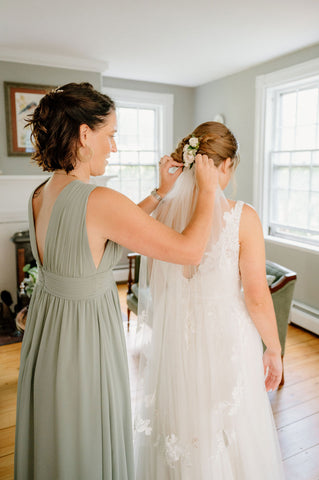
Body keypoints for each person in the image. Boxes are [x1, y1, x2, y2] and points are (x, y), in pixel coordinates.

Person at [14, 83, 219, 480]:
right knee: (85, 434)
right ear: (84, 134)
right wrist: (208, 192)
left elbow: (103, 230)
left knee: (58, 434)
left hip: (48, 333)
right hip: (83, 340)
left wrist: (160, 194)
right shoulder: (98, 200)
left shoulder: (41, 194)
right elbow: (189, 251)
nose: (114, 147)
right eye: (111, 135)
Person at [134, 122, 285, 479]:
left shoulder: (163, 215)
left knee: (183, 424)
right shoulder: (242, 217)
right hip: (228, 342)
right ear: (226, 165)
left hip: (177, 345)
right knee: (229, 428)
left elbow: (155, 283)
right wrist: (274, 349)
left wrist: (160, 191)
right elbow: (257, 297)